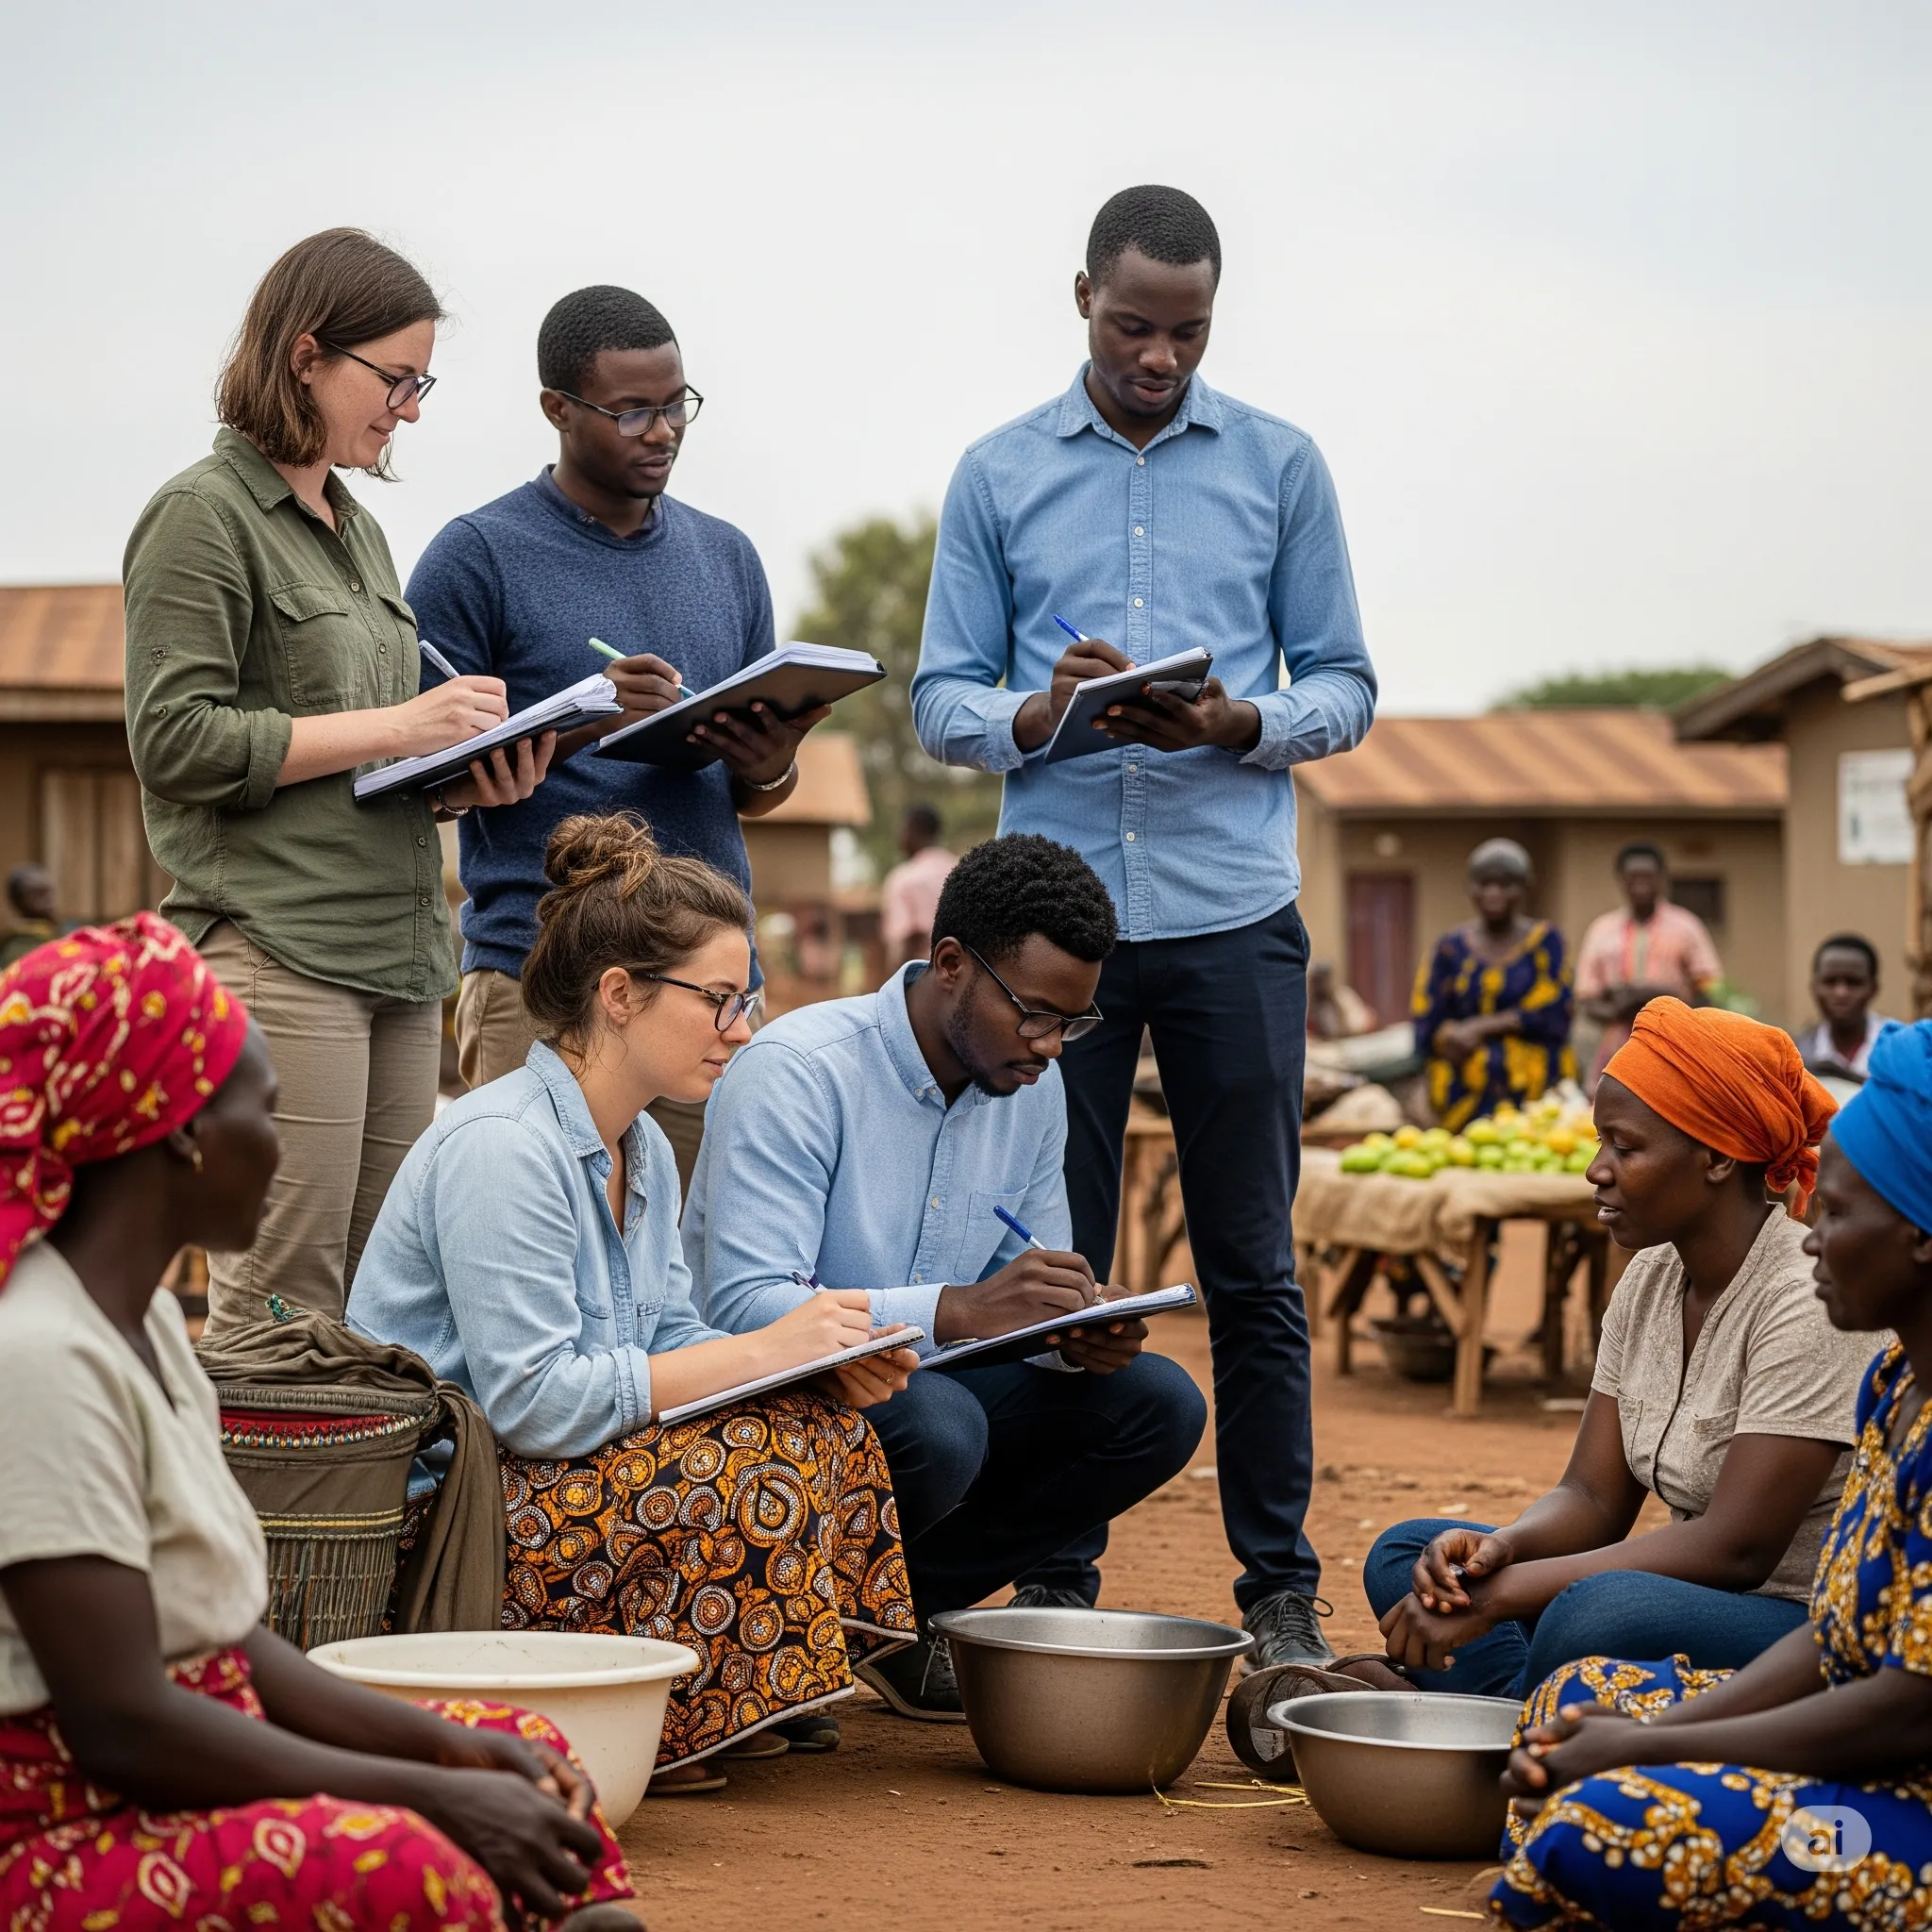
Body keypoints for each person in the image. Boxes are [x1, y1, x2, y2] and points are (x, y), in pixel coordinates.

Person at [910, 183, 1375, 1670]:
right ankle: (1057, 1572)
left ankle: (1281, 1592)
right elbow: (940, 700)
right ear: (1080, 301)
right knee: (1061, 1254)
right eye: (1133, 325)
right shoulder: (994, 473)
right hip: (1056, 937)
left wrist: (1238, 720)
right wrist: (1037, 715)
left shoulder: (1285, 465)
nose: (1160, 356)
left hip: (1234, 912)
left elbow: (1348, 686)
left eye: (1188, 330)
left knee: (1252, 1264)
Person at [0, 915, 635, 1929]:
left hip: (187, 1745)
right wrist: (429, 1788)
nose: (281, 1141)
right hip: (62, 1822)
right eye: (267, 1108)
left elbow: (227, 1644)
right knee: (411, 1856)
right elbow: (121, 1722)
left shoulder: (152, 1322)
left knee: (526, 1753)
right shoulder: (35, 1356)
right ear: (183, 1132)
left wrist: (444, 1749)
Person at [349, 815, 916, 1790]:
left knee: (822, 1428)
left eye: (747, 1001)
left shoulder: (640, 1146)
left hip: (547, 1482)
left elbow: (667, 1334)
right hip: (456, 1519)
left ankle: (707, 1696)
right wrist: (762, 1350)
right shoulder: (504, 1147)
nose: (741, 1028)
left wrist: (805, 1364)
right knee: (731, 1462)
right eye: (720, 1000)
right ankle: (664, 1712)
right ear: (619, 994)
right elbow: (531, 1405)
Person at [123, 229, 551, 1335]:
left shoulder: (358, 533)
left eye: (422, 383)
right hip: (281, 951)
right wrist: (398, 723)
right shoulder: (201, 516)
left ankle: (358, 1515)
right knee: (281, 1306)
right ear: (307, 354)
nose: (409, 407)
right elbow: (175, 739)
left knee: (385, 1305)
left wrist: (459, 778)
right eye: (394, 378)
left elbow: (359, 761)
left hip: (399, 962)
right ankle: (256, 1517)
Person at [685, 833, 1208, 1719]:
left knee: (1158, 1406)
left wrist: (1069, 1333)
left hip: (925, 1390)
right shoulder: (801, 1071)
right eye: (1034, 1013)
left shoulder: (1031, 1092)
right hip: (757, 1402)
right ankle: (778, 1632)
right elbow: (742, 1302)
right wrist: (956, 1311)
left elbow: (1020, 1285)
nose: (1051, 1046)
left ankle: (880, 1624)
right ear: (953, 964)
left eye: (1072, 1022)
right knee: (940, 1417)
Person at [1491, 1019, 1932, 1929]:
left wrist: (1659, 1752)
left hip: (1905, 1800)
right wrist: (1648, 1739)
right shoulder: (1898, 1387)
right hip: (1858, 1730)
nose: (1811, 1234)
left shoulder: (1820, 1329)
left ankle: (1528, 1803)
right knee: (1577, 1699)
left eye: (1840, 1213)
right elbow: (1840, 1641)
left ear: (1921, 1238)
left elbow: (1906, 1713)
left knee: (1607, 1825)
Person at [406, 284, 825, 1192]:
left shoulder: (727, 558)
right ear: (557, 408)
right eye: (631, 410)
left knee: (689, 1286)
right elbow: (423, 776)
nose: (663, 430)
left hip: (712, 988)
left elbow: (753, 797)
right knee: (533, 1255)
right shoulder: (478, 556)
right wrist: (584, 717)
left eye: (676, 405)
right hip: (545, 978)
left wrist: (770, 766)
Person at [1358, 1003, 1863, 1706]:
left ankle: (1482, 1732)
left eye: (1625, 1147)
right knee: (1410, 1554)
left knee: (1595, 1614)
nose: (1597, 1170)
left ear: (1717, 1156)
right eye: (1602, 1143)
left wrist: (1506, 1595)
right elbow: (1592, 1497)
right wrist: (1502, 1552)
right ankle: (1515, 1711)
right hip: (1682, 1595)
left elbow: (1736, 1548)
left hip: (1794, 1624)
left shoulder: (1805, 1299)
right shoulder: (1651, 1280)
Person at [1412, 838, 1574, 1129]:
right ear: (1470, 887)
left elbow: (1554, 1012)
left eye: (1506, 884)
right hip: (1462, 1101)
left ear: (1526, 886)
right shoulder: (1449, 949)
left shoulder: (1545, 943)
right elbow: (1426, 1020)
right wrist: (1449, 1035)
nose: (1494, 893)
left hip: (1537, 1102)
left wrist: (1479, 1027)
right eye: (1484, 884)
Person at [1574, 841, 1722, 1091]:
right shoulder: (1601, 930)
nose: (1641, 885)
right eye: (1633, 878)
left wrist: (1657, 999)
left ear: (1662, 879)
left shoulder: (1686, 927)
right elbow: (1585, 997)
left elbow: (1711, 987)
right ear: (1621, 880)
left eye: (1648, 877)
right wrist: (1620, 1009)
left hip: (1673, 1044)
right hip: (1614, 1047)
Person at [1794, 931, 1893, 1082]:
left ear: (1873, 989)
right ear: (1814, 987)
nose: (1841, 993)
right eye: (1830, 982)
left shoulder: (1898, 1047)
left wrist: (1847, 1078)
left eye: (1853, 982)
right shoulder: (1796, 1054)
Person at [878, 802, 957, 968]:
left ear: (914, 831)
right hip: (963, 976)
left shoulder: (903, 879)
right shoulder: (960, 869)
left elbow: (905, 942)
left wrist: (893, 988)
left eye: (902, 829)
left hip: (923, 980)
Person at [0, 864, 59, 970]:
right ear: (19, 901)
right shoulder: (19, 948)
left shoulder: (58, 934)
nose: (48, 901)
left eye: (49, 892)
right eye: (38, 894)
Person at [1307, 960, 1374, 1041]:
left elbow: (1364, 1020)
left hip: (1348, 1042)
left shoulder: (1342, 996)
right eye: (1318, 981)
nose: (1321, 986)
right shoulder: (1309, 1004)